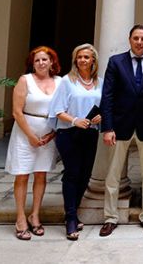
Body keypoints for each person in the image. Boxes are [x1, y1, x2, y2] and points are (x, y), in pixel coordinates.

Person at [99, 24, 143, 237]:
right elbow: (108, 97)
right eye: (136, 38)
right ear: (130, 39)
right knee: (113, 175)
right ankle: (110, 218)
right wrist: (108, 127)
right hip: (120, 126)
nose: (139, 42)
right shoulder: (116, 62)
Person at [5, 46, 61, 240]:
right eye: (37, 60)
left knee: (41, 175)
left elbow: (62, 110)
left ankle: (35, 214)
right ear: (32, 63)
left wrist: (51, 135)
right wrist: (30, 136)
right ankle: (20, 217)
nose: (41, 63)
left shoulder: (60, 82)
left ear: (52, 62)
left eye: (45, 59)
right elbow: (17, 112)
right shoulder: (25, 80)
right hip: (24, 133)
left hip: (48, 135)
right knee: (22, 175)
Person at [48, 44, 102, 241]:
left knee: (85, 175)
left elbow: (104, 105)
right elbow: (57, 110)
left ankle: (73, 211)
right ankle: (70, 218)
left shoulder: (100, 83)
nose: (82, 60)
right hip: (69, 133)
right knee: (72, 174)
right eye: (79, 57)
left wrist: (101, 117)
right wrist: (74, 120)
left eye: (86, 57)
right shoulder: (67, 82)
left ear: (93, 60)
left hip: (90, 133)